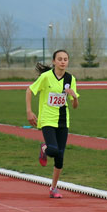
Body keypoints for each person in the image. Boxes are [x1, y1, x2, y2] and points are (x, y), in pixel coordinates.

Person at [26, 50, 80, 199]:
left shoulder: (71, 79)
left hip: (63, 120)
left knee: (60, 157)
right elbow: (29, 90)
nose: (63, 62)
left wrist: (74, 97)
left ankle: (53, 188)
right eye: (60, 59)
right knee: (54, 150)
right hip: (47, 120)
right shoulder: (46, 77)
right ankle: (44, 147)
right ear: (54, 61)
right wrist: (29, 111)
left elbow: (74, 105)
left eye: (65, 59)